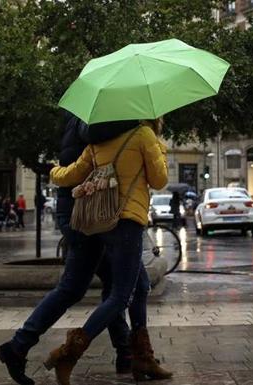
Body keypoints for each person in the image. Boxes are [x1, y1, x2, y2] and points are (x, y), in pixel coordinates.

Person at [0, 113, 138, 385]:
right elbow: (93, 139)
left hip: (86, 209)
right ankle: (18, 346)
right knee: (77, 288)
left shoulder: (82, 118)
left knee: (113, 285)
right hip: (85, 212)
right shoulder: (90, 121)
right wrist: (133, 122)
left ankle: (126, 352)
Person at [45, 117, 172, 384]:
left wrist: (54, 172)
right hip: (128, 221)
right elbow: (159, 180)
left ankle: (142, 358)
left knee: (142, 285)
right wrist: (161, 150)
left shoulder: (98, 141)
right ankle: (69, 352)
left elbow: (72, 174)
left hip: (105, 221)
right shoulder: (143, 136)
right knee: (120, 296)